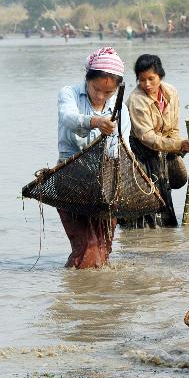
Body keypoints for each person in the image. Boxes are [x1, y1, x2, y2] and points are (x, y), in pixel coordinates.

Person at [57, 47, 131, 268]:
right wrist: (96, 122)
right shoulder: (69, 94)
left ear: (117, 88)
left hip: (106, 183)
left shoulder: (121, 110)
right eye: (96, 88)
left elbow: (122, 147)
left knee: (104, 246)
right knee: (86, 247)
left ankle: (94, 298)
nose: (100, 96)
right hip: (71, 177)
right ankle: (79, 295)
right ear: (87, 78)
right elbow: (68, 118)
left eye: (108, 92)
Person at [125, 54, 189, 228]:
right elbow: (147, 138)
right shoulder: (136, 101)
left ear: (160, 76)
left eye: (151, 79)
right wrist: (178, 145)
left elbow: (173, 127)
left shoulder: (171, 92)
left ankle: (164, 233)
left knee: (176, 180)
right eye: (142, 80)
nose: (147, 84)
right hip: (139, 150)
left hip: (163, 147)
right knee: (146, 196)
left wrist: (180, 146)